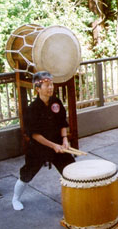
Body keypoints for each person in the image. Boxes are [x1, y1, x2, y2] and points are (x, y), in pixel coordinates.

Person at [12, 71, 75, 211]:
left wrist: (65, 140)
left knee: (71, 170)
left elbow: (62, 123)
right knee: (27, 174)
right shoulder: (32, 109)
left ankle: (76, 198)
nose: (50, 87)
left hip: (58, 144)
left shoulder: (56, 102)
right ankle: (15, 198)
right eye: (47, 85)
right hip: (38, 147)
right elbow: (34, 135)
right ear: (37, 88)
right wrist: (53, 146)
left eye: (51, 84)